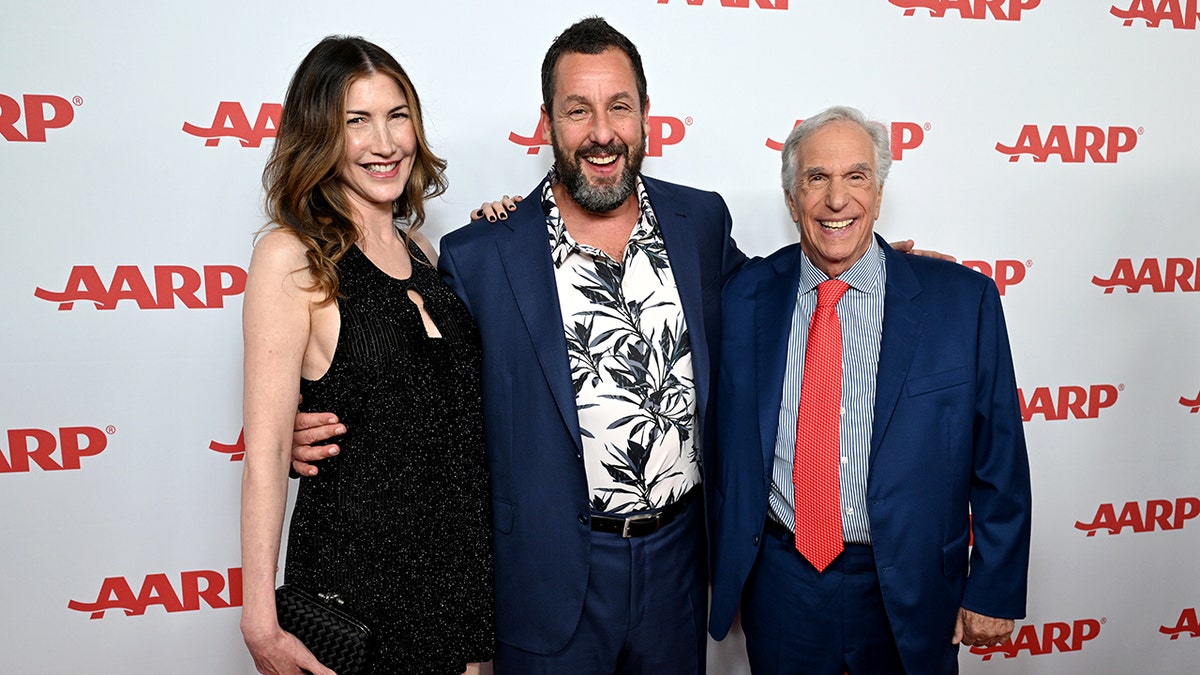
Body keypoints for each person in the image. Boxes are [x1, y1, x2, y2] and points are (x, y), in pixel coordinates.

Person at [708, 105, 1032, 674]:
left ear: (879, 194)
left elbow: (999, 454)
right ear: (791, 200)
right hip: (782, 585)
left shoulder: (961, 301)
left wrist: (995, 586)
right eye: (817, 178)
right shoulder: (743, 295)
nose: (837, 200)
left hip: (911, 586)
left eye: (856, 176)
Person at [239, 36, 493, 675]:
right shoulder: (291, 257)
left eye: (397, 115)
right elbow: (267, 453)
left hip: (453, 590)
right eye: (357, 121)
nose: (385, 142)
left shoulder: (427, 258)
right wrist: (258, 619)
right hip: (353, 591)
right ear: (320, 135)